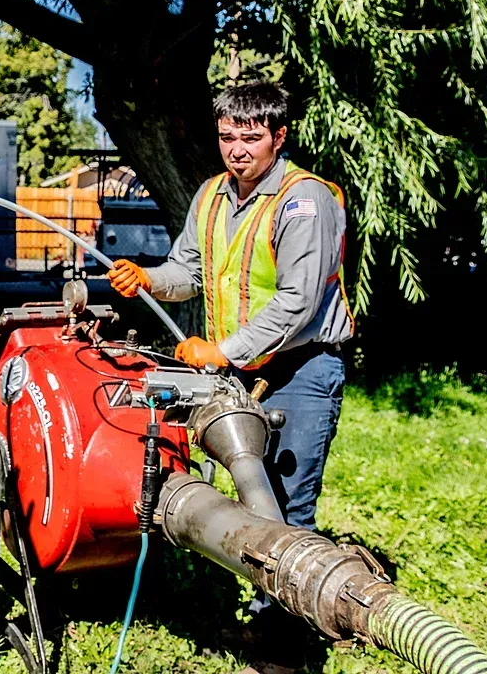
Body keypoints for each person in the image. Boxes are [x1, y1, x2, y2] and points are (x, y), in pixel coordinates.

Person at [107, 81, 353, 674]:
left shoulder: (305, 201)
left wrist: (221, 351)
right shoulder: (212, 195)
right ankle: (271, 622)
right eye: (226, 137)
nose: (236, 149)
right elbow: (186, 271)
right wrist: (146, 279)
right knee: (252, 496)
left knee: (288, 506)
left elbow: (297, 303)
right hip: (241, 368)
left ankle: (290, 652)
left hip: (301, 366)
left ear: (279, 136)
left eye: (250, 137)